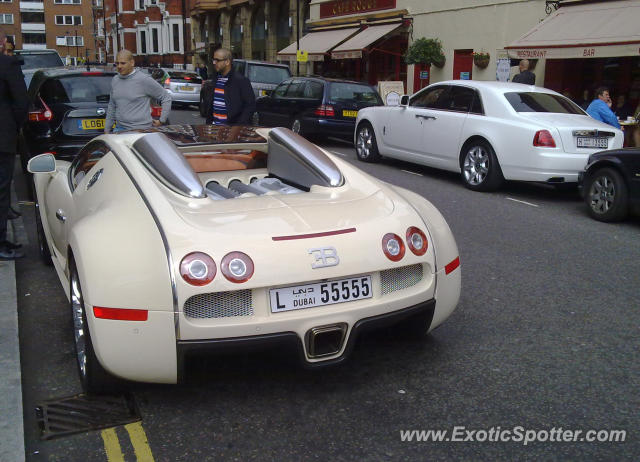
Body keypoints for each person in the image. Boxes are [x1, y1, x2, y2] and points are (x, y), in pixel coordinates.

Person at [0, 33, 28, 260]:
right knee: (1, 191)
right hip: (3, 137)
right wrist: (16, 126)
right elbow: (21, 101)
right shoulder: (8, 64)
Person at [104, 49, 171, 133]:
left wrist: (162, 120)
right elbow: (112, 106)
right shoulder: (115, 80)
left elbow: (166, 97)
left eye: (123, 63)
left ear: (132, 63)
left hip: (140, 130)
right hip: (119, 129)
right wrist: (107, 129)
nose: (119, 66)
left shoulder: (144, 80)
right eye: (117, 63)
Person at [202, 48, 255, 126]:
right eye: (213, 60)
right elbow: (211, 106)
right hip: (214, 129)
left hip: (232, 131)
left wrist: (237, 127)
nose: (214, 63)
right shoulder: (215, 79)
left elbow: (250, 106)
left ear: (227, 62)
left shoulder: (241, 81)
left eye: (217, 60)